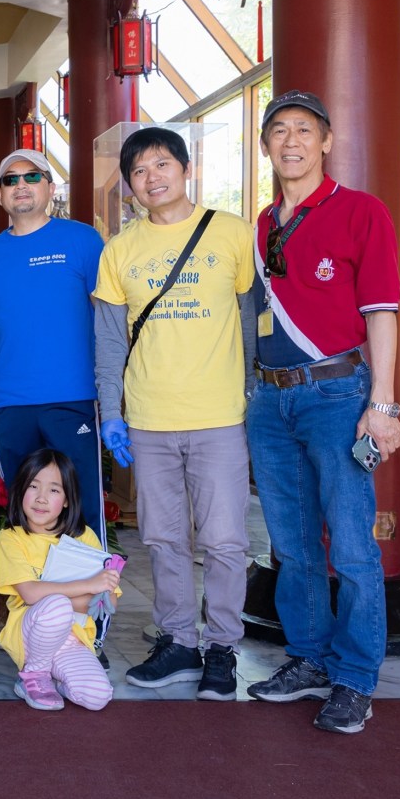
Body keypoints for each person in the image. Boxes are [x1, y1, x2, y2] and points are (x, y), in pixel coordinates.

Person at [243, 90, 400, 735]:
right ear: (266, 146)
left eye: (304, 130)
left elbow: (382, 314)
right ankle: (308, 658)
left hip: (337, 394)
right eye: (278, 130)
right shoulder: (263, 224)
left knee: (352, 544)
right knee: (291, 543)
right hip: (269, 400)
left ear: (326, 141)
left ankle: (355, 678)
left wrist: (382, 404)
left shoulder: (360, 211)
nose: (291, 141)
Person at [92, 127, 255, 702]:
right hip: (149, 419)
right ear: (130, 186)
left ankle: (222, 648)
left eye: (162, 164)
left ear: (186, 169)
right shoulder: (119, 251)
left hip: (219, 417)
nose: (151, 178)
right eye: (139, 171)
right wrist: (111, 412)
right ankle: (180, 642)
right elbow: (110, 342)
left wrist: (252, 395)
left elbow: (251, 321)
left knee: (225, 540)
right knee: (162, 539)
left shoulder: (231, 232)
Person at [0, 148, 108, 544]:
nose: (21, 185)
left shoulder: (82, 240)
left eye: (31, 176)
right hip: (11, 402)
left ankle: (92, 585)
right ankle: (31, 584)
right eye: (10, 180)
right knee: (23, 505)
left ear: (50, 186)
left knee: (81, 503)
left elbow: (106, 317)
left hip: (73, 396)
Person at [0, 450, 120, 711]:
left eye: (54, 490)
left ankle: (55, 681)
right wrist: (88, 587)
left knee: (98, 696)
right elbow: (30, 594)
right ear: (20, 490)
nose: (41, 498)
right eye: (33, 486)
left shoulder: (84, 536)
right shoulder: (12, 537)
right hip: (30, 635)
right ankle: (34, 675)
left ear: (66, 500)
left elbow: (106, 604)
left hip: (72, 638)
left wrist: (91, 593)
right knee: (56, 606)